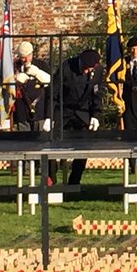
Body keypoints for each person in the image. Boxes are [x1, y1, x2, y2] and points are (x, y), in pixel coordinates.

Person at [59, 48, 103, 185]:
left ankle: (74, 182)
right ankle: (50, 181)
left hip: (83, 114)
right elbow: (54, 93)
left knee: (84, 149)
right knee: (52, 147)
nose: (87, 71)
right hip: (64, 112)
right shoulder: (66, 67)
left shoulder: (98, 71)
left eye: (90, 69)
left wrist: (96, 114)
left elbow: (97, 93)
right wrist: (50, 117)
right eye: (85, 68)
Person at [11, 41, 52, 133]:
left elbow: (50, 89)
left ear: (31, 54)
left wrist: (49, 116)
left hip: (40, 112)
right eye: (22, 57)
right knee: (24, 143)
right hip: (22, 113)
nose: (24, 60)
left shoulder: (42, 66)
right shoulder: (14, 67)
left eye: (26, 57)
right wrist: (15, 79)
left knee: (40, 142)